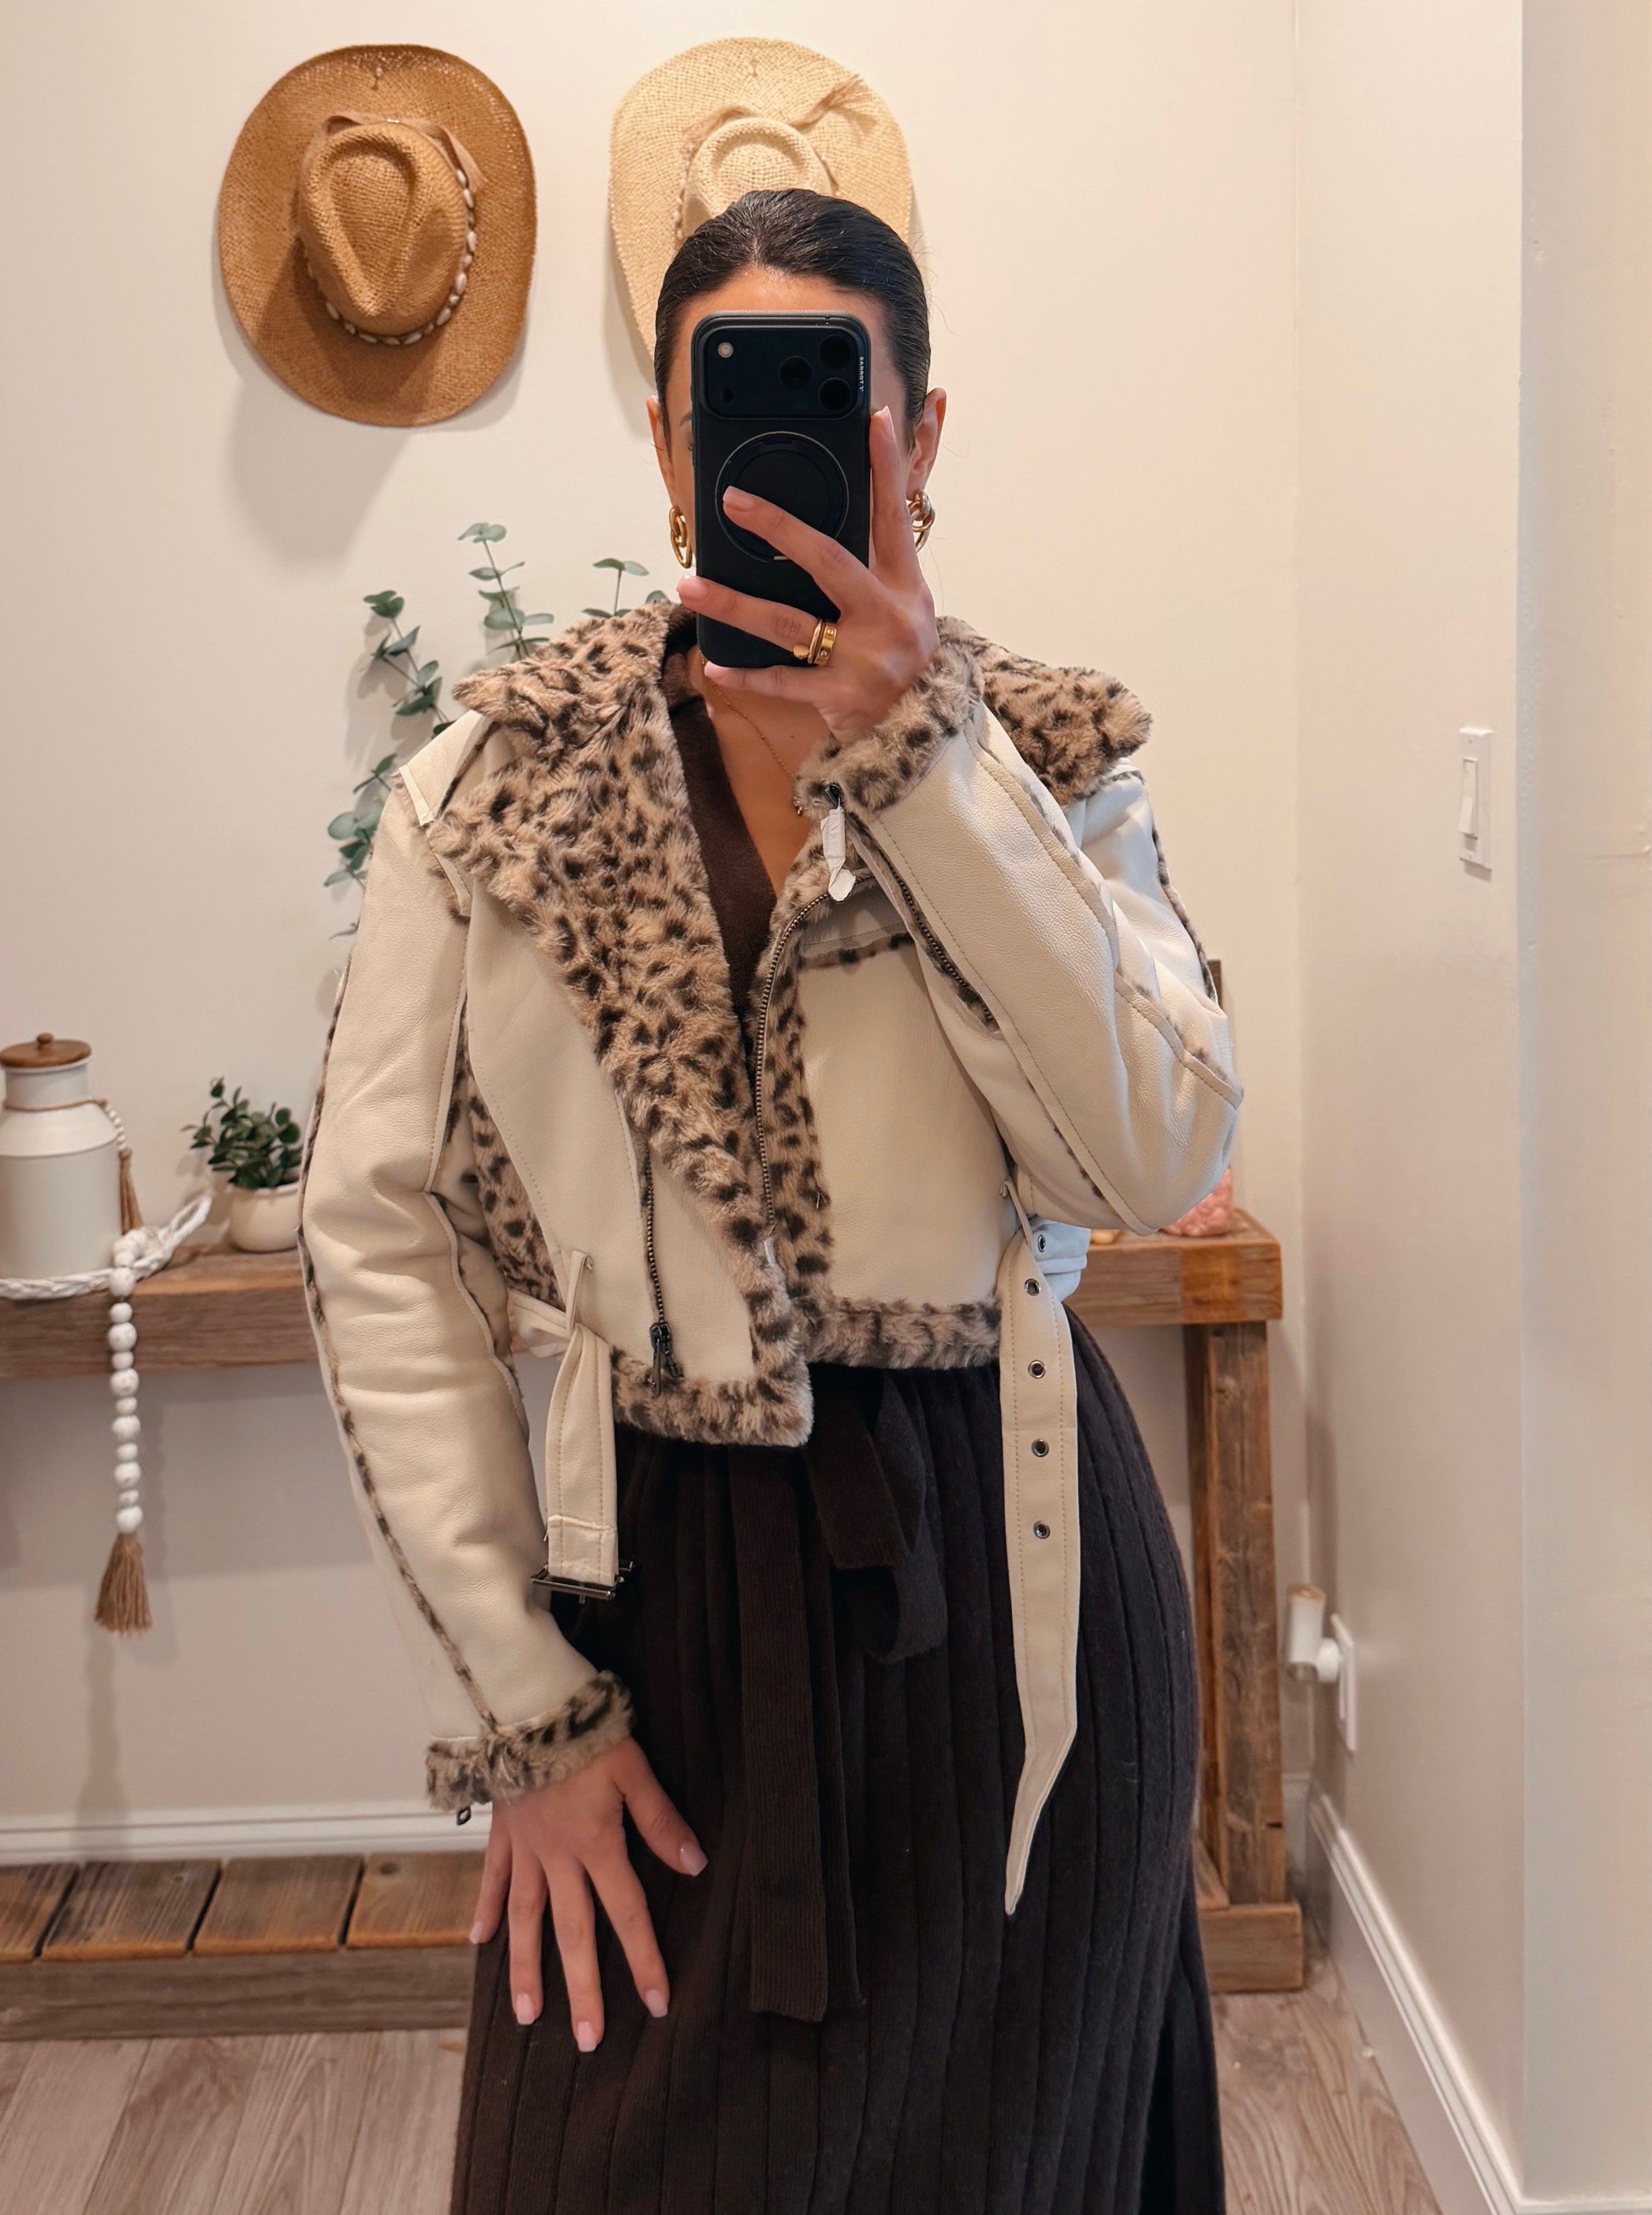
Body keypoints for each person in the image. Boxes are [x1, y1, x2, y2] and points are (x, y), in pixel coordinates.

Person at [301, 187, 1238, 2214]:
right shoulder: (500, 781)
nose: (780, 441)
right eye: (726, 394)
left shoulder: (1044, 757)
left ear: (920, 435)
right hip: (651, 1595)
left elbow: (1154, 1158)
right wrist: (528, 1712)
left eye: (839, 396)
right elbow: (381, 1238)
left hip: (1006, 1584)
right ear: (665, 437)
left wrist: (923, 761)